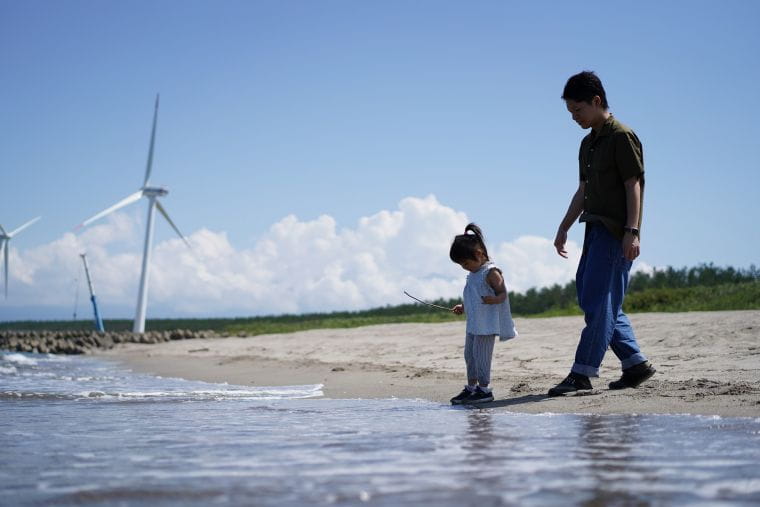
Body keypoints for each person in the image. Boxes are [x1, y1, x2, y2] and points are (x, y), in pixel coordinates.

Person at [549, 70, 655, 397]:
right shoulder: (588, 144)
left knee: (600, 301)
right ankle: (634, 363)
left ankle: (582, 373)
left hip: (615, 231)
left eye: (577, 111)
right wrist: (564, 226)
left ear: (596, 102)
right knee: (594, 298)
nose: (574, 118)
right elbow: (583, 190)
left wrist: (632, 231)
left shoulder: (622, 136)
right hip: (594, 229)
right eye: (570, 113)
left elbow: (633, 185)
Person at [448, 223, 517, 405]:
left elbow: (503, 293)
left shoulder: (491, 272)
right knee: (469, 356)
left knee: (482, 357)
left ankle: (484, 389)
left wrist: (495, 299)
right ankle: (471, 388)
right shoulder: (473, 274)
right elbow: (473, 296)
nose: (464, 267)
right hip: (473, 324)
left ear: (479, 254)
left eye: (465, 263)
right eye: (461, 264)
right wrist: (463, 306)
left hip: (486, 326)